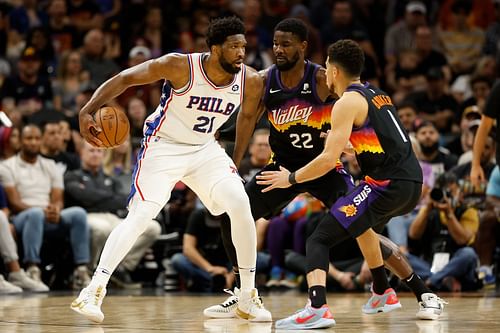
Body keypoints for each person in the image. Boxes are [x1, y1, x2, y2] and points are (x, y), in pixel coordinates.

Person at [205, 19, 444, 323]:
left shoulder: (323, 80)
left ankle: (419, 292)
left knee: (361, 230)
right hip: (283, 167)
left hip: (325, 167)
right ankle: (244, 294)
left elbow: (356, 115)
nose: (278, 49)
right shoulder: (264, 81)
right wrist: (231, 163)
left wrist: (341, 143)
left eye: (286, 44)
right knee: (232, 216)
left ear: (303, 47)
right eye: (275, 43)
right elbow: (246, 120)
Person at [70, 16, 271, 323]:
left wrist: (234, 159)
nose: (241, 53)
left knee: (240, 203)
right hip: (163, 146)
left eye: (243, 46)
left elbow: (246, 119)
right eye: (234, 46)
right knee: (143, 214)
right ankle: (93, 289)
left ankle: (246, 295)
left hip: (204, 149)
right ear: (215, 48)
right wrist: (87, 109)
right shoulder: (180, 66)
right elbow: (125, 78)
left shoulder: (251, 79)